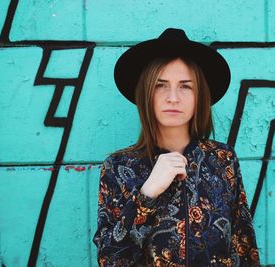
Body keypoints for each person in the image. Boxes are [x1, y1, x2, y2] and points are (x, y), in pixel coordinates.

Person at [93, 28, 260, 267]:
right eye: (161, 85)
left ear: (199, 95)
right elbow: (111, 260)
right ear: (146, 94)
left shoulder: (223, 159)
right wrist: (147, 194)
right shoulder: (118, 167)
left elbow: (244, 246)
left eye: (185, 86)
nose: (173, 97)